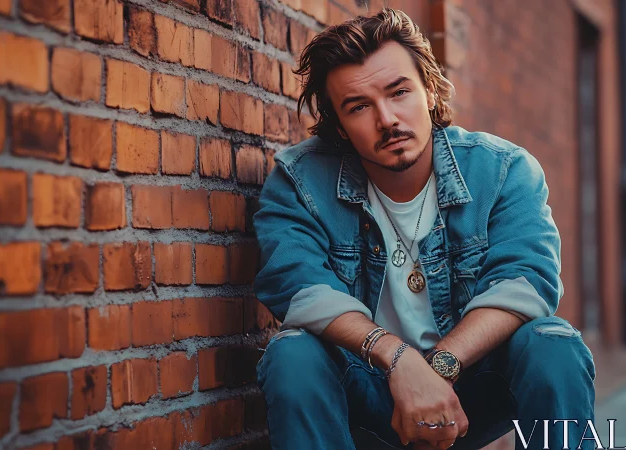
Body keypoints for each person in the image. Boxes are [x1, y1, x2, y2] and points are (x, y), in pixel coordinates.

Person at [252, 8, 595, 450]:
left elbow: (525, 284)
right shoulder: (300, 182)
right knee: (292, 354)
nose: (388, 119)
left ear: (429, 90)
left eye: (399, 93)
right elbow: (298, 287)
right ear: (338, 125)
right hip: (367, 389)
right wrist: (397, 361)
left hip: (470, 387)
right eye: (359, 107)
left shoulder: (503, 170)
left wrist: (437, 370)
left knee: (553, 344)